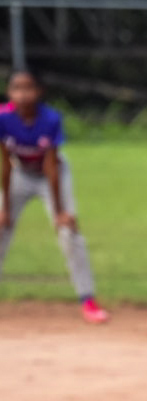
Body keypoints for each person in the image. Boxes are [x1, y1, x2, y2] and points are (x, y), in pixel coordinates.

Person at [0, 68, 108, 324]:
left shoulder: (50, 119)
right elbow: (5, 165)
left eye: (29, 88)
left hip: (53, 176)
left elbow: (51, 166)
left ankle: (88, 301)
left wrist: (61, 212)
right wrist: (5, 208)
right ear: (9, 92)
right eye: (17, 88)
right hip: (19, 174)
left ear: (39, 92)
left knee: (69, 233)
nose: (23, 94)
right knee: (0, 229)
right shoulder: (3, 118)